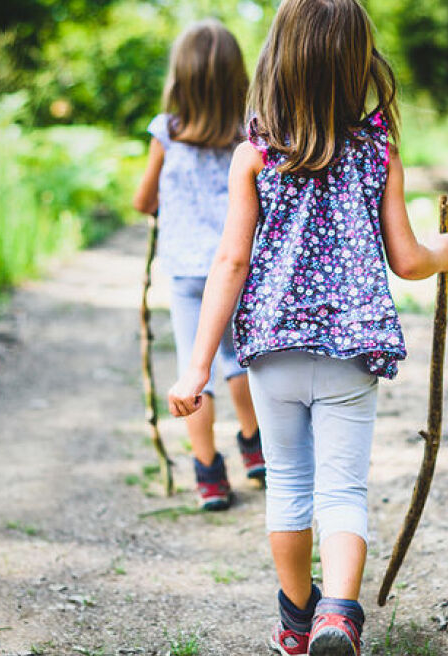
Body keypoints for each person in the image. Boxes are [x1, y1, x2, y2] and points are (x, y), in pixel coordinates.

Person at [166, 1, 448, 653]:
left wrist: (196, 366)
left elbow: (231, 262)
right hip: (350, 351)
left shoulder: (255, 155)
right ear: (356, 63)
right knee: (342, 490)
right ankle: (338, 614)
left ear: (278, 59)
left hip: (270, 352)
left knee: (290, 487)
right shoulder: (375, 151)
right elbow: (408, 259)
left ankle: (297, 625)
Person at [133, 19, 264, 511]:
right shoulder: (248, 136)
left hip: (187, 273)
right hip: (236, 265)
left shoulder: (165, 133)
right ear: (238, 79)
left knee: (197, 369)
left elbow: (144, 200)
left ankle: (209, 473)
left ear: (179, 79)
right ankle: (255, 447)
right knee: (236, 360)